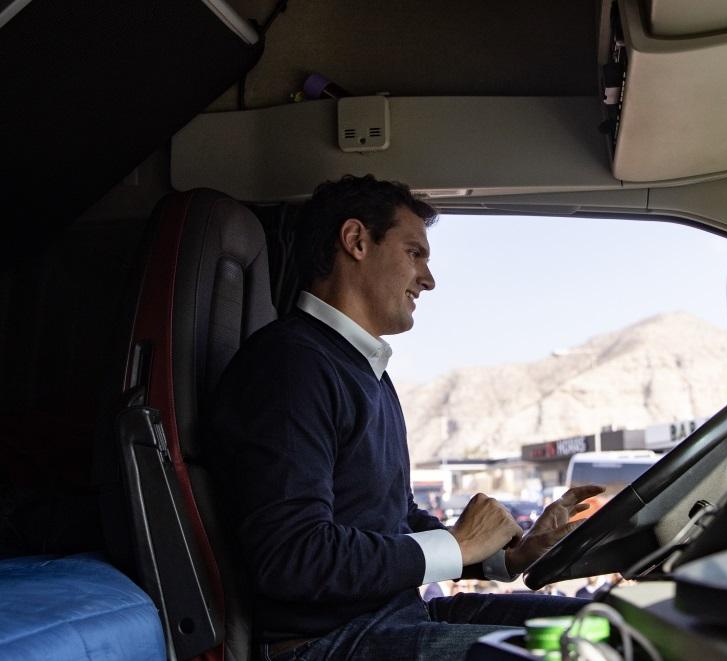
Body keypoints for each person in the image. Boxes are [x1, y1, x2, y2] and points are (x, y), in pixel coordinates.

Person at [211, 174, 604, 660]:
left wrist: (504, 557)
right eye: (414, 253)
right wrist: (458, 545)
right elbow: (293, 554)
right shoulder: (291, 365)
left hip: (391, 620)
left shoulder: (364, 370)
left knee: (607, 626)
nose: (428, 279)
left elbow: (390, 522)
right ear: (356, 241)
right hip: (325, 644)